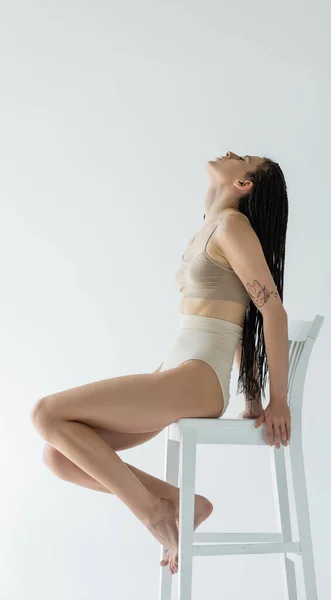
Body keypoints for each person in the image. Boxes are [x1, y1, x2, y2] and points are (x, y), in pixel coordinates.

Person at [30, 151, 291, 575]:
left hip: (198, 377)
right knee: (57, 455)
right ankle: (185, 504)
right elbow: (242, 316)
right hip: (177, 370)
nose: (229, 154)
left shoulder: (233, 226)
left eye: (242, 158)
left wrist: (276, 399)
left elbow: (271, 311)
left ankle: (152, 512)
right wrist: (254, 396)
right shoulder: (210, 227)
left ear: (244, 184)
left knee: (46, 413)